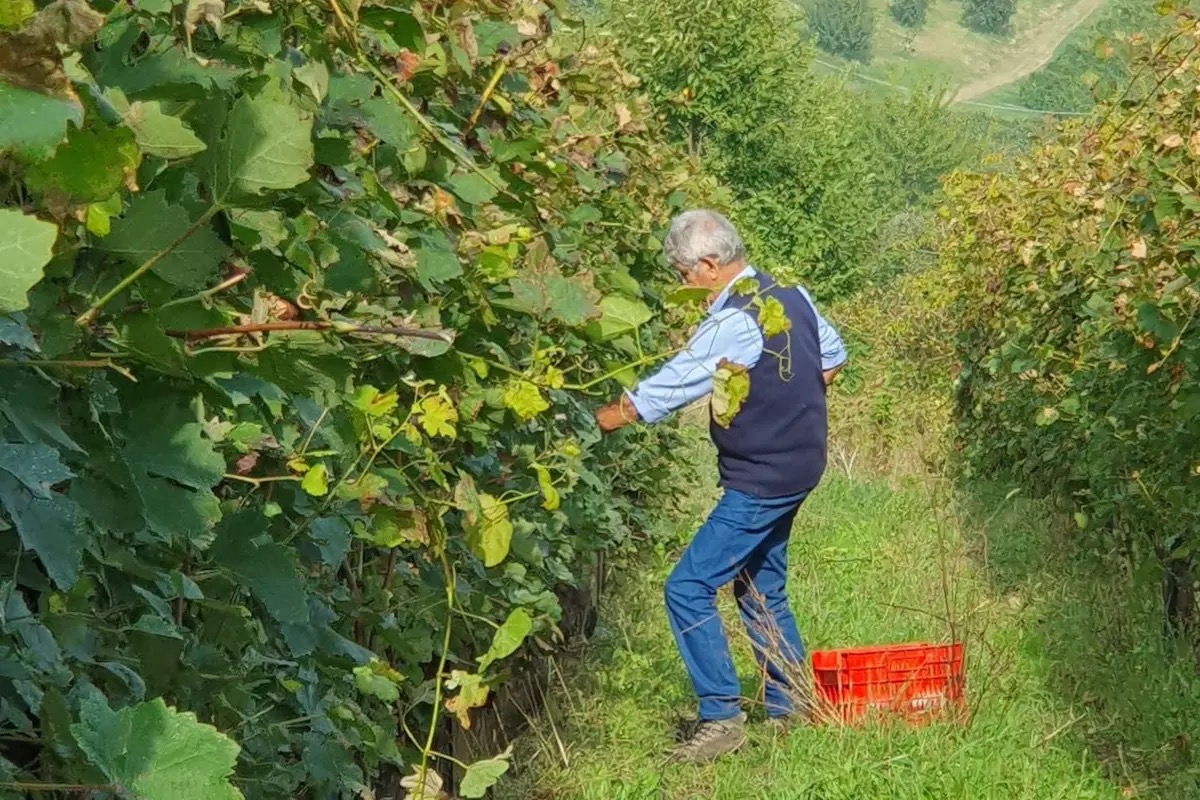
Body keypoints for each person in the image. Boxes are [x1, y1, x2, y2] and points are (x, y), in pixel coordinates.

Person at [594, 210, 847, 763]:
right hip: (800, 465)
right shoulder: (790, 295)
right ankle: (792, 705)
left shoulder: (732, 320)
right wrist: (783, 404)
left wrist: (602, 420)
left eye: (685, 276)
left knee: (686, 587)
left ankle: (721, 718)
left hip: (762, 479)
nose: (685, 288)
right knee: (760, 588)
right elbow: (831, 358)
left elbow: (669, 387)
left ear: (709, 266)